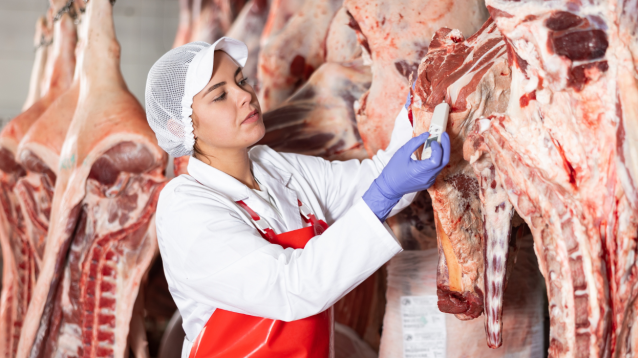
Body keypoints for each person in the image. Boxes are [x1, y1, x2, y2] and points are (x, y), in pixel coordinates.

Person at [144, 37, 450, 358]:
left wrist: (417, 111)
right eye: (220, 95)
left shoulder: (275, 166)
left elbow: (377, 181)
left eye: (241, 80)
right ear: (180, 127)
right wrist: (385, 191)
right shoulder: (184, 206)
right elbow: (290, 287)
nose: (245, 95)